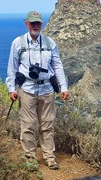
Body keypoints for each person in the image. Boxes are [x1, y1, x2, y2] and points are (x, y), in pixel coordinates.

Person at [6, 11, 69, 170]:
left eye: (38, 23)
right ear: (26, 23)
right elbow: (12, 68)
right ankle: (30, 158)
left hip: (47, 89)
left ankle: (49, 157)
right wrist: (12, 89)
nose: (35, 26)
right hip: (27, 89)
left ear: (42, 24)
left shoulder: (50, 43)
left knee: (47, 124)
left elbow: (57, 65)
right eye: (32, 23)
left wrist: (63, 87)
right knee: (28, 125)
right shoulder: (18, 43)